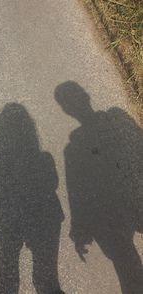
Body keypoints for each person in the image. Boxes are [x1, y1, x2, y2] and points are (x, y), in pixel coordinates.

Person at [55, 81, 143, 294]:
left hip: (115, 211)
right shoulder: (119, 118)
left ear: (66, 110)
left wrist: (79, 228)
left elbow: (76, 189)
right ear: (87, 95)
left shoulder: (74, 147)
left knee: (125, 261)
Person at [0, 103, 65, 294]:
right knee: (47, 280)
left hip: (5, 221)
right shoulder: (44, 160)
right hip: (43, 218)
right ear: (31, 132)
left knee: (6, 279)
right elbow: (52, 184)